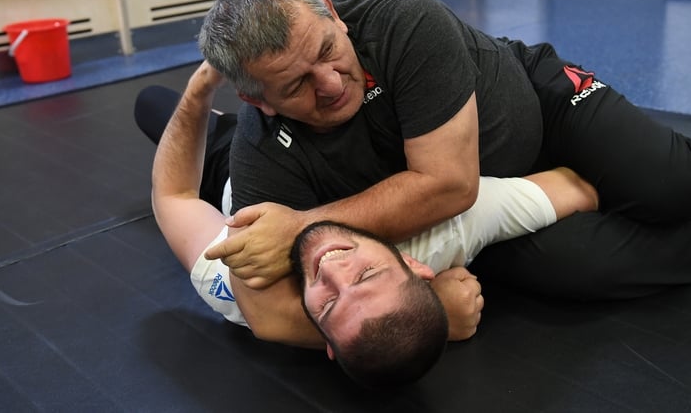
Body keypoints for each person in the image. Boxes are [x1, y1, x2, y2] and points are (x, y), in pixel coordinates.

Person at [143, 0, 691, 385]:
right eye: (297, 86)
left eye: (329, 52)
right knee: (584, 271)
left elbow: (448, 184)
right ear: (260, 104)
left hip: (535, 107)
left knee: (673, 186)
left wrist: (301, 226)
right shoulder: (262, 152)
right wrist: (423, 311)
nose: (331, 84)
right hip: (450, 197)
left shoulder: (401, 21)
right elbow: (271, 315)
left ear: (334, 14)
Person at [147, 61, 601, 385]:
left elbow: (175, 194)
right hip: (334, 128)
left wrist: (201, 86)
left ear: (323, 341)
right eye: (365, 274)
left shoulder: (239, 281)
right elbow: (581, 186)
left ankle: (220, 117)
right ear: (415, 265)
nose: (331, 268)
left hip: (232, 160)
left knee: (149, 105)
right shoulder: (450, 228)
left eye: (325, 306)